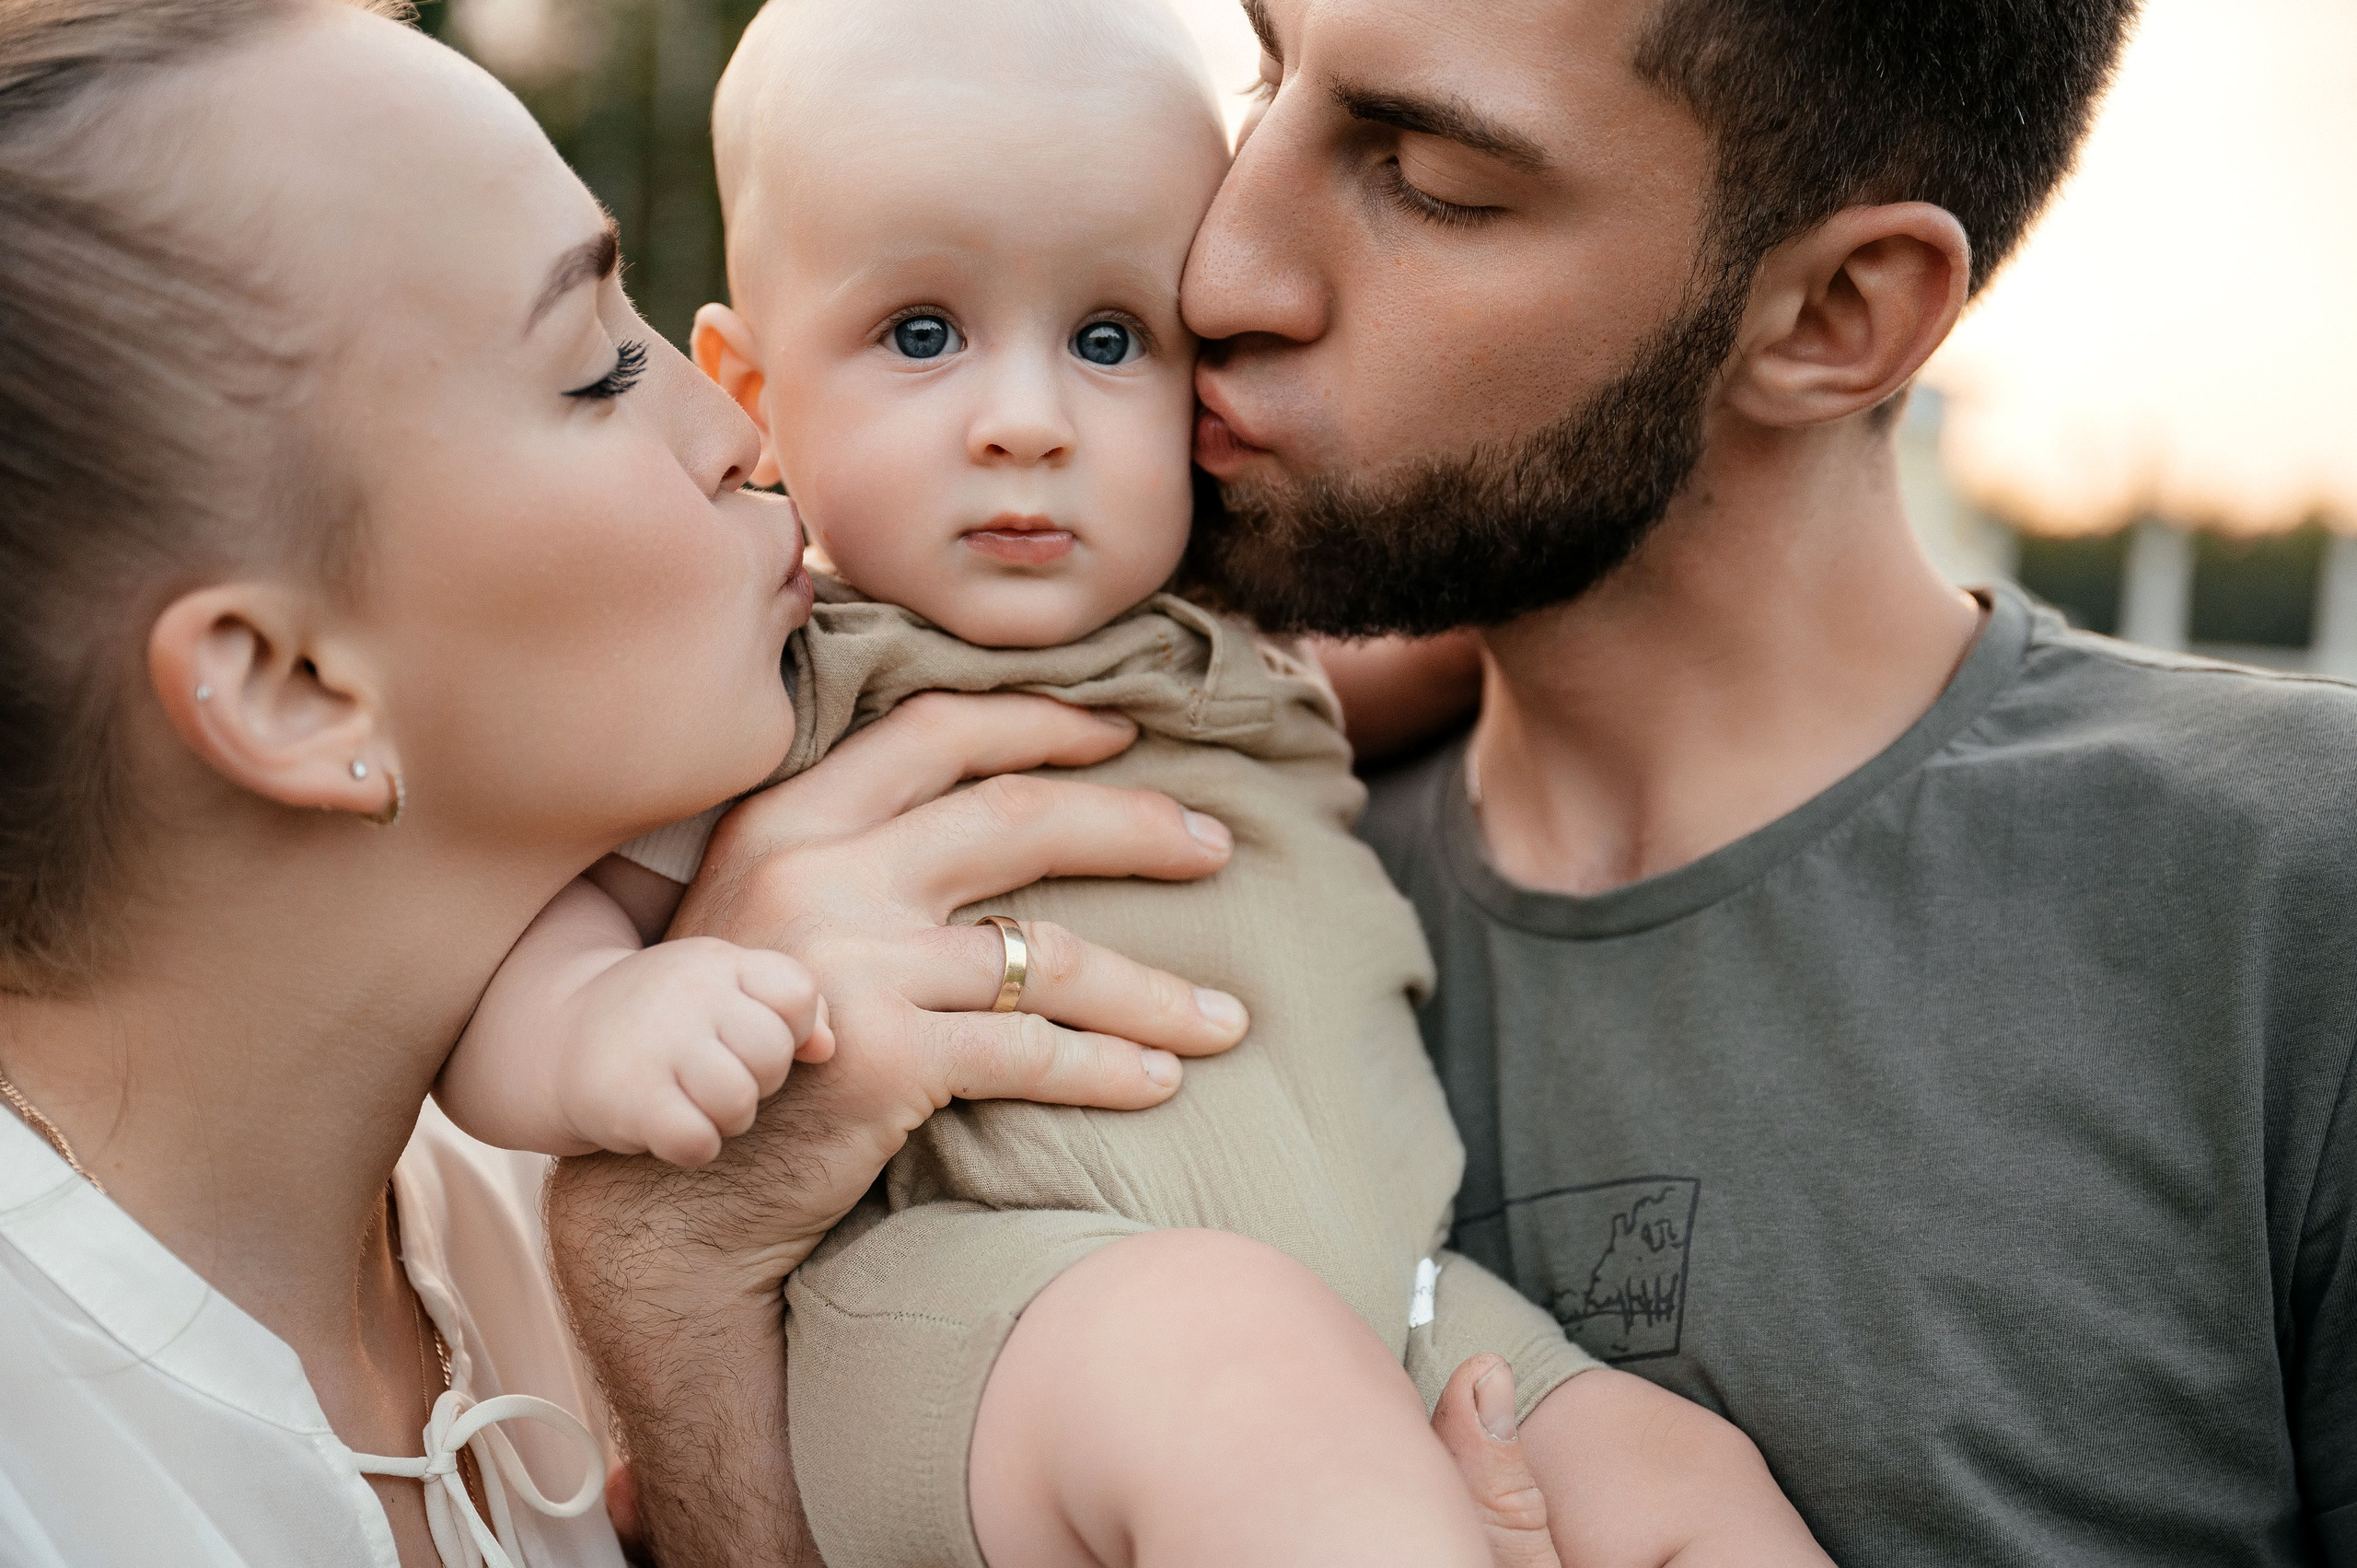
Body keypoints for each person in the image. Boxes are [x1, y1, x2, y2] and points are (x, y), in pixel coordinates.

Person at [552, 0, 2357, 1563]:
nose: (1220, 267)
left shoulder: (2287, 899)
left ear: (1831, 314)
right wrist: (678, 1270)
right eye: (1270, 73)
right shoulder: (1090, 812)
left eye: (1425, 171)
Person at [435, 2, 1829, 1564]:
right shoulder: (784, 679)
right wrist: (595, 1028)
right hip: (998, 1314)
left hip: (1399, 1289)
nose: (1026, 424)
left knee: (1680, 1479)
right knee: (1237, 1370)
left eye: (1110, 341)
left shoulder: (1228, 640)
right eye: (920, 334)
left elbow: (1377, 677)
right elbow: (531, 941)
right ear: (753, 394)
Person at [0, 3, 1249, 1564]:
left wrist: (675, 1297)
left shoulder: (532, 1194)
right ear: (291, 688)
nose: (737, 426)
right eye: (598, 370)